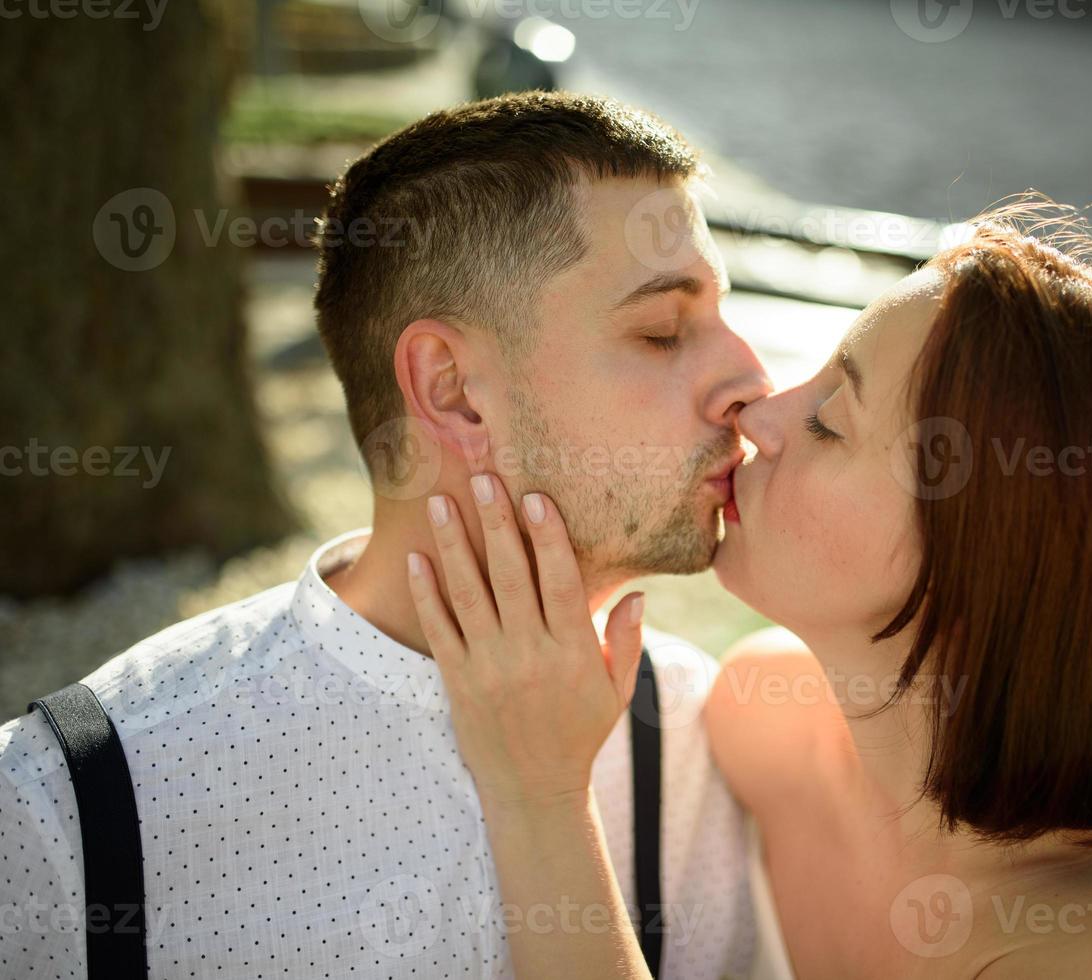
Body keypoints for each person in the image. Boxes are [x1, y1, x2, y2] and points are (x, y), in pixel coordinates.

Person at [409, 209, 1092, 978]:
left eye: (831, 422)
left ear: (980, 564)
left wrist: (537, 796)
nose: (759, 413)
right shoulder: (763, 722)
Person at [0, 92, 769, 977]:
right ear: (452, 391)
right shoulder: (69, 808)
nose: (749, 376)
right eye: (664, 331)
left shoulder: (704, 740)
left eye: (723, 315)